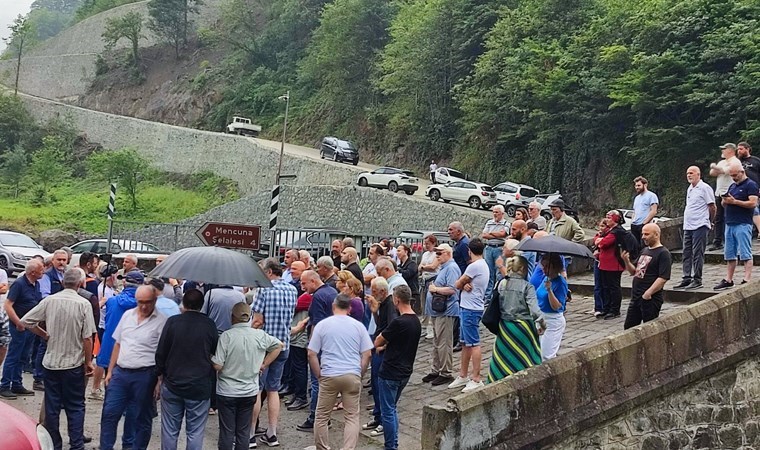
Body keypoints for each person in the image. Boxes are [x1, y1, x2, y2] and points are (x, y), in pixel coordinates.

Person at [20, 268, 97, 450]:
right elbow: (87, 337)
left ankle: (55, 444)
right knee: (75, 405)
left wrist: (45, 335)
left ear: (63, 282)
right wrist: (88, 362)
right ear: (80, 284)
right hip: (73, 363)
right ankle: (76, 444)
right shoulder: (83, 303)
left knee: (52, 405)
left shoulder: (50, 300)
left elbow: (25, 321)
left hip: (51, 362)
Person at [100, 285, 167, 450]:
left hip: (146, 374)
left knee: (140, 417)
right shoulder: (127, 315)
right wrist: (110, 371)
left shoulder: (162, 321)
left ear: (155, 300)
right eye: (140, 302)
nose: (144, 306)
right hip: (121, 372)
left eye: (148, 302)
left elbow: (163, 354)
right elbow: (118, 344)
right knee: (110, 413)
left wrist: (159, 381)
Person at [213, 302, 282, 450]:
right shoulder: (259, 335)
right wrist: (264, 364)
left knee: (227, 431)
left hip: (227, 391)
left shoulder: (226, 336)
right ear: (250, 317)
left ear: (232, 317)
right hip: (249, 390)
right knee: (243, 432)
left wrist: (210, 357)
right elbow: (278, 345)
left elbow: (218, 365)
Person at [155, 289, 219, 450]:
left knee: (169, 430)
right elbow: (215, 350)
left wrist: (160, 375)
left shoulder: (172, 322)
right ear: (202, 305)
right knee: (195, 431)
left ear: (183, 303)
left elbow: (161, 352)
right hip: (200, 385)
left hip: (173, 382)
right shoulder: (209, 324)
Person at [308, 294, 373, 450]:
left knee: (322, 416)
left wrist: (318, 374)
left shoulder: (322, 325)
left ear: (333, 306)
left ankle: (323, 447)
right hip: (352, 374)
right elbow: (367, 354)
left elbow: (311, 353)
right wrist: (360, 372)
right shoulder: (358, 326)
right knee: (351, 416)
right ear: (349, 309)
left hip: (329, 373)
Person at [251, 258, 297, 448]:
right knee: (273, 389)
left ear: (269, 272)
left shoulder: (263, 289)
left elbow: (258, 321)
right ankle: (272, 433)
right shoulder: (292, 290)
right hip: (283, 344)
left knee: (256, 389)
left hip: (263, 346)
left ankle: (251, 434)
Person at [373, 285, 421, 450]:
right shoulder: (415, 320)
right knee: (392, 409)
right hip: (405, 371)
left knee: (388, 412)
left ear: (397, 299)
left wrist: (382, 343)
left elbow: (378, 341)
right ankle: (392, 443)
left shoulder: (398, 322)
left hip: (390, 372)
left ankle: (391, 446)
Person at [487, 255, 544, 382]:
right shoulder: (527, 286)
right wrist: (542, 324)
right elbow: (535, 311)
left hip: (505, 327)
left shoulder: (501, 283)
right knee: (526, 358)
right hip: (523, 327)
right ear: (523, 268)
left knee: (503, 359)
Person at [296, 270, 337, 432]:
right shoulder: (332, 291)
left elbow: (318, 325)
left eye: (304, 283)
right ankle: (324, 417)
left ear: (313, 281)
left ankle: (315, 418)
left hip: (321, 347)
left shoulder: (319, 297)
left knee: (316, 383)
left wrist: (312, 348)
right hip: (331, 344)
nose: (302, 287)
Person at [0, 258, 44, 398]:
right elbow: (8, 305)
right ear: (32, 272)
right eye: (41, 269)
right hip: (17, 326)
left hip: (30, 327)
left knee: (23, 356)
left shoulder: (36, 284)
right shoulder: (19, 284)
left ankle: (17, 383)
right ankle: (4, 385)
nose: (43, 272)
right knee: (13, 356)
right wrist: (18, 322)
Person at [450, 238, 489, 393]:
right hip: (468, 307)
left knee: (473, 343)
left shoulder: (473, 267)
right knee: (465, 342)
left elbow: (457, 284)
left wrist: (462, 283)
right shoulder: (483, 265)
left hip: (471, 309)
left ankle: (476, 378)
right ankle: (463, 375)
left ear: (469, 251)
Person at [420, 243, 461, 386]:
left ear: (448, 254)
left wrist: (435, 289)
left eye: (439, 253)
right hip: (439, 310)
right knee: (437, 342)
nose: (437, 256)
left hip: (446, 310)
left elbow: (452, 289)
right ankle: (436, 369)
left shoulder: (452, 268)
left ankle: (445, 371)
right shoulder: (445, 268)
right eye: (436, 253)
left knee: (444, 343)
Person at [714, 162, 759, 289]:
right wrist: (725, 201)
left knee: (745, 252)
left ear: (742, 172)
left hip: (743, 223)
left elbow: (753, 203)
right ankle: (729, 279)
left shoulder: (751, 185)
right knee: (730, 253)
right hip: (729, 222)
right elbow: (725, 204)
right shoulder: (732, 186)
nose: (733, 178)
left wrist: (735, 201)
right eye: (731, 175)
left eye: (735, 175)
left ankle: (747, 278)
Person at [363, 278, 398, 436]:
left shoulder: (390, 305)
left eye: (374, 291)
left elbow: (391, 327)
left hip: (382, 351)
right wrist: (375, 311)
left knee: (381, 386)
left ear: (383, 292)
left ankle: (384, 420)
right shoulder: (382, 304)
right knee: (376, 384)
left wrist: (383, 345)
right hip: (378, 346)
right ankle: (378, 416)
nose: (372, 293)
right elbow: (380, 323)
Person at [621, 223, 672, 329]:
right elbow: (634, 272)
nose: (643, 237)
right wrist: (626, 261)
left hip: (650, 299)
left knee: (649, 328)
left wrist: (648, 293)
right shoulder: (644, 250)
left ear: (656, 235)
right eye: (643, 234)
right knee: (629, 328)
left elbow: (663, 277)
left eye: (647, 234)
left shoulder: (663, 253)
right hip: (636, 296)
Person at [674, 166, 716, 290]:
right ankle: (686, 277)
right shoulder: (690, 189)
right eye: (687, 173)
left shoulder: (705, 188)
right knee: (686, 252)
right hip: (688, 225)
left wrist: (710, 221)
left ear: (698, 174)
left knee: (698, 253)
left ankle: (697, 279)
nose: (689, 175)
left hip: (700, 224)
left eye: (691, 173)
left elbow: (712, 207)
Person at [34, 249, 69, 391]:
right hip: (49, 316)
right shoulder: (47, 276)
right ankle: (38, 378)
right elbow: (45, 297)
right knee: (44, 345)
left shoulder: (66, 275)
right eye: (59, 259)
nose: (61, 262)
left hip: (63, 315)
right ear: (53, 260)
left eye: (64, 260)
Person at [536, 253, 568, 360]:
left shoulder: (560, 282)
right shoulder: (545, 279)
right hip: (542, 319)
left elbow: (557, 306)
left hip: (553, 320)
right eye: (543, 266)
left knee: (547, 355)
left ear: (555, 267)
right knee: (538, 354)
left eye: (547, 266)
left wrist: (550, 290)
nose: (544, 269)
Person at [595, 211, 626, 320]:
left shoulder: (617, 232)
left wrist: (600, 241)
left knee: (614, 287)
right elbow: (597, 238)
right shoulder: (611, 231)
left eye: (609, 218)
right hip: (605, 264)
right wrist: (599, 240)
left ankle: (614, 310)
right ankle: (606, 308)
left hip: (614, 264)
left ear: (615, 219)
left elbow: (603, 243)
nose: (607, 220)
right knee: (606, 287)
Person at [709, 143, 740, 250]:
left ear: (731, 150)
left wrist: (714, 166)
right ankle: (717, 241)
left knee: (730, 217)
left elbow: (724, 171)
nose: (722, 151)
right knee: (718, 218)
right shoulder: (722, 162)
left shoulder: (735, 161)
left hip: (730, 193)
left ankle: (731, 240)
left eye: (724, 149)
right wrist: (716, 168)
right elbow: (712, 173)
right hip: (719, 193)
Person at [481, 205, 508, 300]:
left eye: (497, 212)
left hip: (499, 249)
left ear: (502, 213)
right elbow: (484, 235)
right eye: (494, 212)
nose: (495, 214)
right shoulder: (489, 222)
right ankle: (487, 297)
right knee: (489, 273)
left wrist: (491, 233)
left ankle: (496, 296)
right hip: (489, 248)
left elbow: (503, 234)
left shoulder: (506, 223)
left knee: (499, 273)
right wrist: (496, 234)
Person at [418, 235, 440, 339]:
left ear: (433, 243)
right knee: (423, 304)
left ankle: (431, 328)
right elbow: (420, 267)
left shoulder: (436, 254)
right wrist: (424, 267)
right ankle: (424, 326)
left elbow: (433, 267)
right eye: (425, 243)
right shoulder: (425, 254)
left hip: (432, 280)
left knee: (430, 304)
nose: (426, 245)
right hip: (424, 280)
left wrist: (424, 267)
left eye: (428, 243)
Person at [737, 142, 760, 234]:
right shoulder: (737, 162)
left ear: (747, 149)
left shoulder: (756, 161)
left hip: (755, 187)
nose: (739, 151)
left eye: (741, 149)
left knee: (755, 208)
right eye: (738, 149)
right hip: (741, 188)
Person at [630, 176, 659, 244]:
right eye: (636, 185)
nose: (637, 187)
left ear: (645, 185)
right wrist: (632, 221)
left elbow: (654, 211)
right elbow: (635, 211)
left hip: (644, 225)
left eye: (639, 185)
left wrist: (644, 223)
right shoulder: (637, 198)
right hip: (634, 225)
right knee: (636, 247)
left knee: (644, 246)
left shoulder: (651, 195)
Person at [396, 244, 419, 309]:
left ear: (406, 252)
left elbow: (408, 274)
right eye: (397, 251)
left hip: (412, 293)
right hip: (403, 293)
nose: (397, 253)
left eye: (399, 251)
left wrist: (398, 270)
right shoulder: (400, 265)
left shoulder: (412, 264)